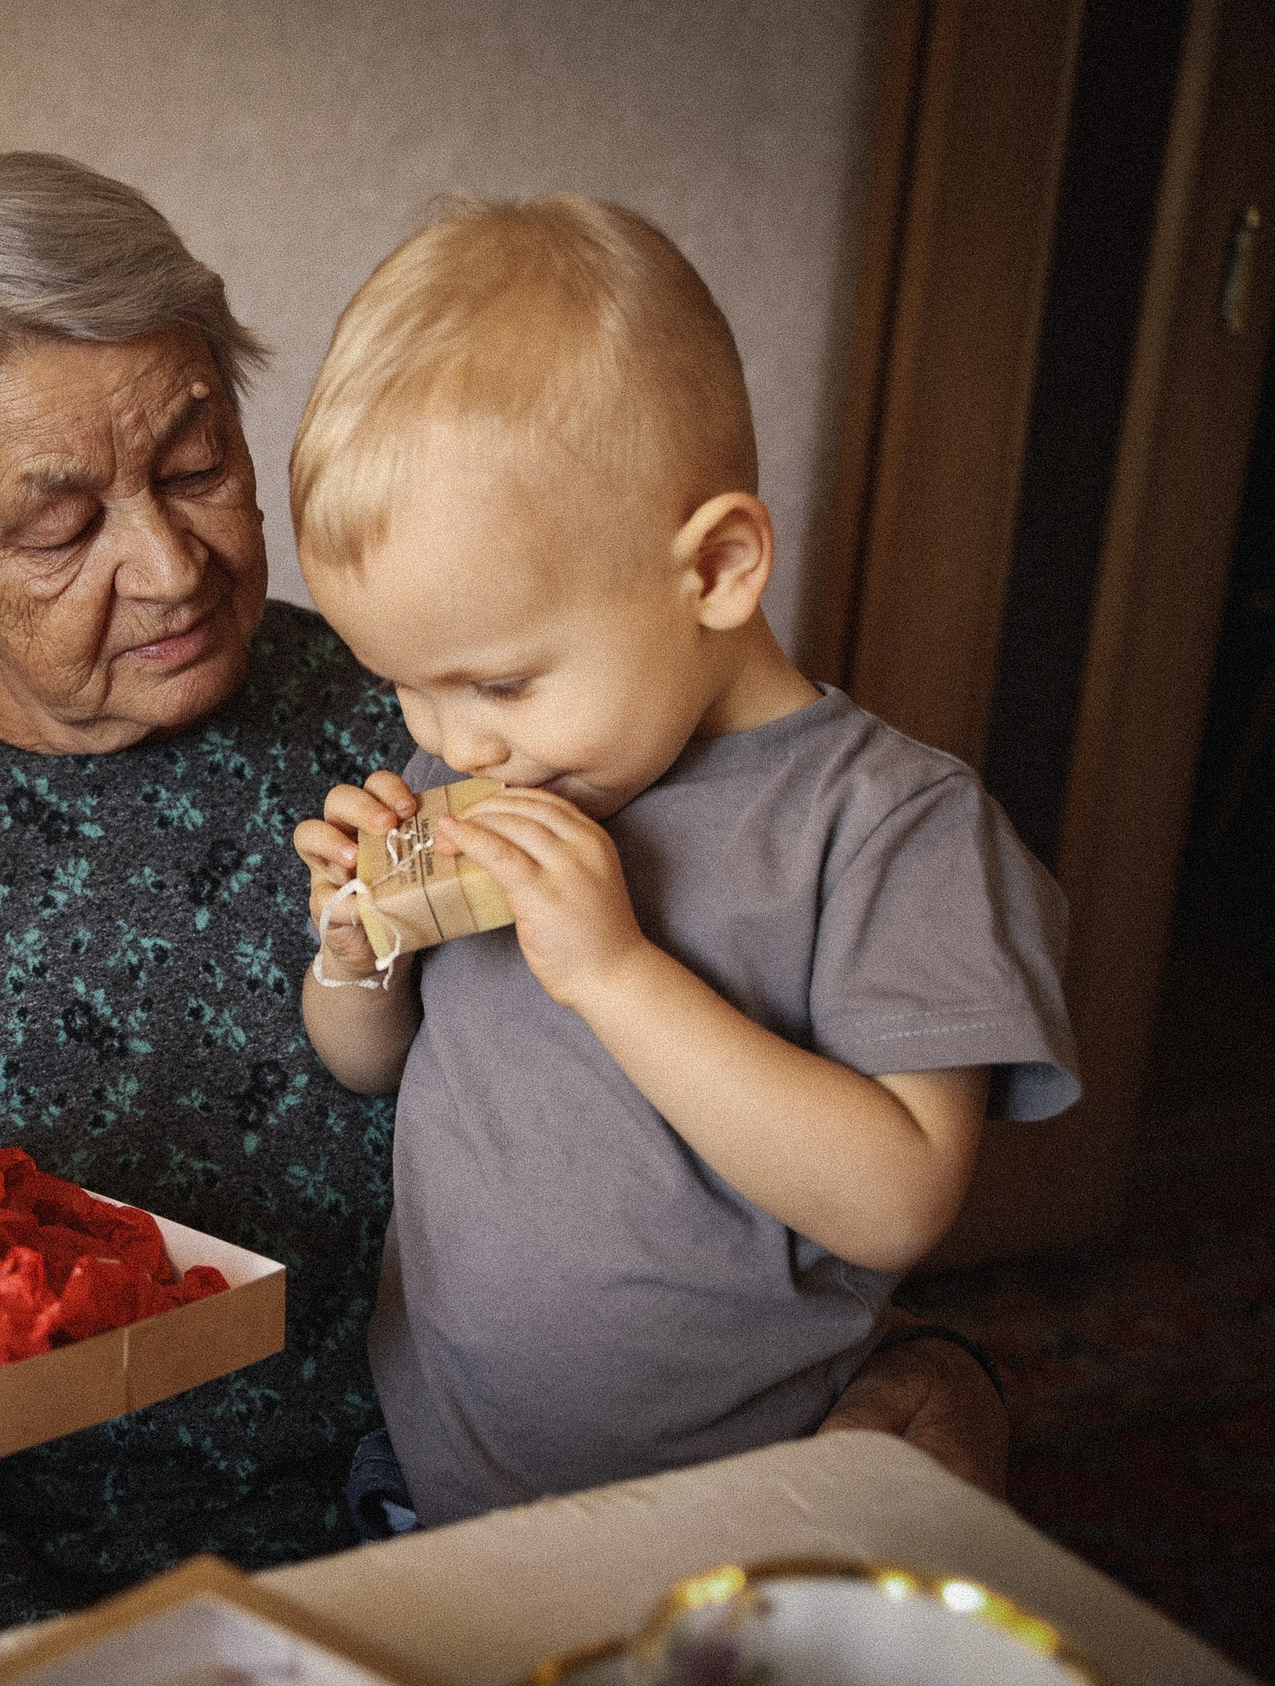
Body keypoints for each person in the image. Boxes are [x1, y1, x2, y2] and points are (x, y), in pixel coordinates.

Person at [0, 153, 1016, 1685]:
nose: (166, 566)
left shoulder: (472, 693)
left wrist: (931, 1378)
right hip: (16, 1592)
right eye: (58, 526)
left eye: (198, 459)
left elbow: (774, 1149)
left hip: (477, 1530)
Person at [287, 195, 1080, 1532]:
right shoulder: (481, 772)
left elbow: (898, 1199)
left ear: (715, 567)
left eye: (497, 679)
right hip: (438, 1481)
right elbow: (367, 1062)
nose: (448, 741)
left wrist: (617, 973)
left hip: (745, 1511)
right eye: (407, 690)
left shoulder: (890, 826)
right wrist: (352, 955)